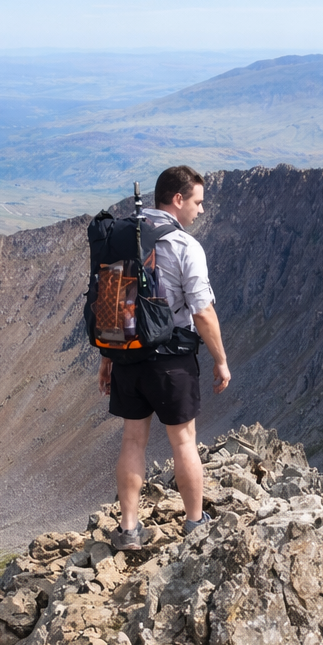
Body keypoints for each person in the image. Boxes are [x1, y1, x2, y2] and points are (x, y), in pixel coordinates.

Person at [98, 165, 231, 550]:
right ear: (177, 199)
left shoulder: (123, 237)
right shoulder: (185, 246)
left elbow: (113, 301)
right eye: (197, 202)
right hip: (172, 360)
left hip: (126, 355)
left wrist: (108, 358)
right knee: (184, 442)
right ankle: (194, 524)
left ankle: (128, 529)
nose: (200, 211)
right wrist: (220, 360)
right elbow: (203, 312)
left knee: (133, 441)